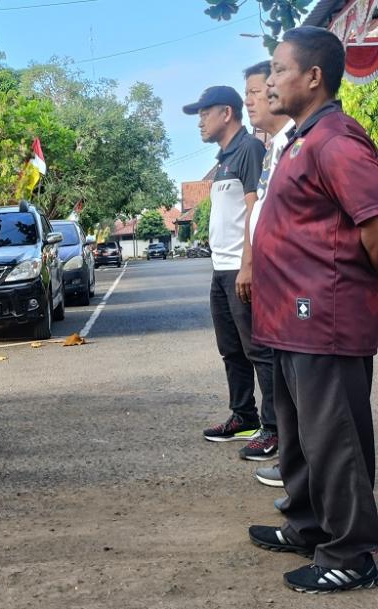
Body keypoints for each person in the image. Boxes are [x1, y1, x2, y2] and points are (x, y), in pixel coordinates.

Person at [247, 26, 378, 594]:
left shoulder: (336, 140)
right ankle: (308, 525)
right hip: (289, 323)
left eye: (278, 69)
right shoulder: (303, 138)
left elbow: (373, 224)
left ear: (314, 77)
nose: (269, 80)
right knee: (301, 436)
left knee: (336, 439)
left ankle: (354, 551)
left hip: (322, 318)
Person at [183, 86, 273, 458]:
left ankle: (275, 427)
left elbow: (256, 210)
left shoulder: (249, 149)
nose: (200, 122)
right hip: (220, 268)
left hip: (241, 267)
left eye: (204, 114)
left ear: (226, 113)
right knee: (231, 348)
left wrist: (248, 265)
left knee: (258, 350)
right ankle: (244, 416)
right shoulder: (223, 158)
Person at [243, 60, 297, 487]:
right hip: (278, 287)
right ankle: (301, 494)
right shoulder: (278, 147)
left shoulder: (321, 141)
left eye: (259, 89)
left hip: (304, 295)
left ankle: (346, 544)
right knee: (290, 393)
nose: (255, 98)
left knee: (319, 411)